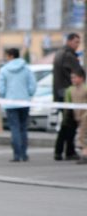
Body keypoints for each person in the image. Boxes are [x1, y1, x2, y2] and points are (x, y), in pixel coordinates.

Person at [0, 48, 36, 162]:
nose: (6, 58)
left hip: (10, 103)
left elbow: (0, 88)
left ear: (11, 56)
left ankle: (16, 155)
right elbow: (32, 85)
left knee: (15, 128)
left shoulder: (4, 70)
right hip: (24, 102)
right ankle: (24, 154)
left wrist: (4, 97)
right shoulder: (26, 69)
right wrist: (28, 94)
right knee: (23, 128)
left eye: (6, 56)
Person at [53, 33, 82, 161]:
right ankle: (67, 151)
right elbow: (79, 74)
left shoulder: (60, 53)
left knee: (66, 123)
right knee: (70, 124)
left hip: (61, 94)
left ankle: (60, 151)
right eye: (76, 42)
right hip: (69, 94)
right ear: (69, 41)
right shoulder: (69, 56)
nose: (78, 45)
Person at [63, 68, 87, 164]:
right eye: (71, 78)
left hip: (85, 115)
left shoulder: (85, 89)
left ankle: (85, 155)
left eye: (75, 77)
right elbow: (68, 104)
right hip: (78, 116)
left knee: (82, 136)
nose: (72, 80)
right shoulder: (70, 90)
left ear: (81, 78)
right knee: (81, 135)